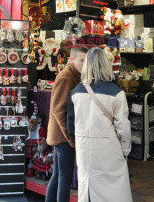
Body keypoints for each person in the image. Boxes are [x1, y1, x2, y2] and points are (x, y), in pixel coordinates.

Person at [67, 47, 132, 202]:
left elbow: (71, 124)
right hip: (108, 146)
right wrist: (125, 150)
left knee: (87, 186)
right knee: (113, 190)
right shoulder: (116, 92)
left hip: (84, 147)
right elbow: (123, 126)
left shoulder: (76, 91)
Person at [45, 46, 88, 202]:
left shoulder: (75, 75)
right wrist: (70, 138)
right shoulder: (67, 77)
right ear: (72, 60)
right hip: (63, 136)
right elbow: (59, 110)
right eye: (81, 60)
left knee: (59, 176)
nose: (84, 63)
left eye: (86, 60)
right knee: (64, 177)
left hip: (62, 135)